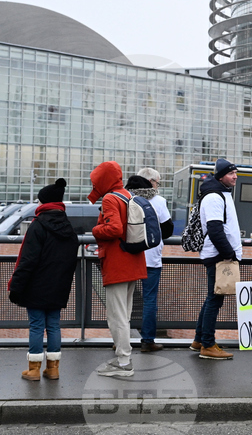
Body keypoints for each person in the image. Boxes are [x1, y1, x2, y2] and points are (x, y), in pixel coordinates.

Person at [8, 178, 77, 381]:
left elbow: (27, 261)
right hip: (58, 286)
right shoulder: (68, 227)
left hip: (36, 287)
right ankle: (53, 369)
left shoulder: (38, 226)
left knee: (37, 325)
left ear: (44, 203)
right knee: (54, 325)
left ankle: (34, 369)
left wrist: (17, 286)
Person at [89, 161, 147, 377]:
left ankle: (124, 362)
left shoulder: (110, 198)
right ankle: (123, 359)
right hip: (133, 261)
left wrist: (95, 229)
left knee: (116, 316)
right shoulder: (127, 195)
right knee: (125, 314)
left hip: (117, 264)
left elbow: (114, 228)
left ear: (104, 179)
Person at [192, 158, 242, 361]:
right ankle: (208, 344)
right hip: (219, 255)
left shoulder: (222, 193)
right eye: (231, 173)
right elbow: (214, 228)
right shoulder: (214, 196)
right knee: (215, 299)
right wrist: (228, 253)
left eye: (236, 172)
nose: (235, 176)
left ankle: (199, 340)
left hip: (219, 253)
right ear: (221, 175)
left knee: (213, 297)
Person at [130, 169, 173, 353]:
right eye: (157, 182)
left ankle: (120, 340)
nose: (157, 186)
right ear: (149, 181)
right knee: (149, 301)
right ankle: (147, 341)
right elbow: (168, 229)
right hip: (151, 257)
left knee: (124, 300)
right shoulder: (159, 201)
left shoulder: (127, 198)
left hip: (130, 255)